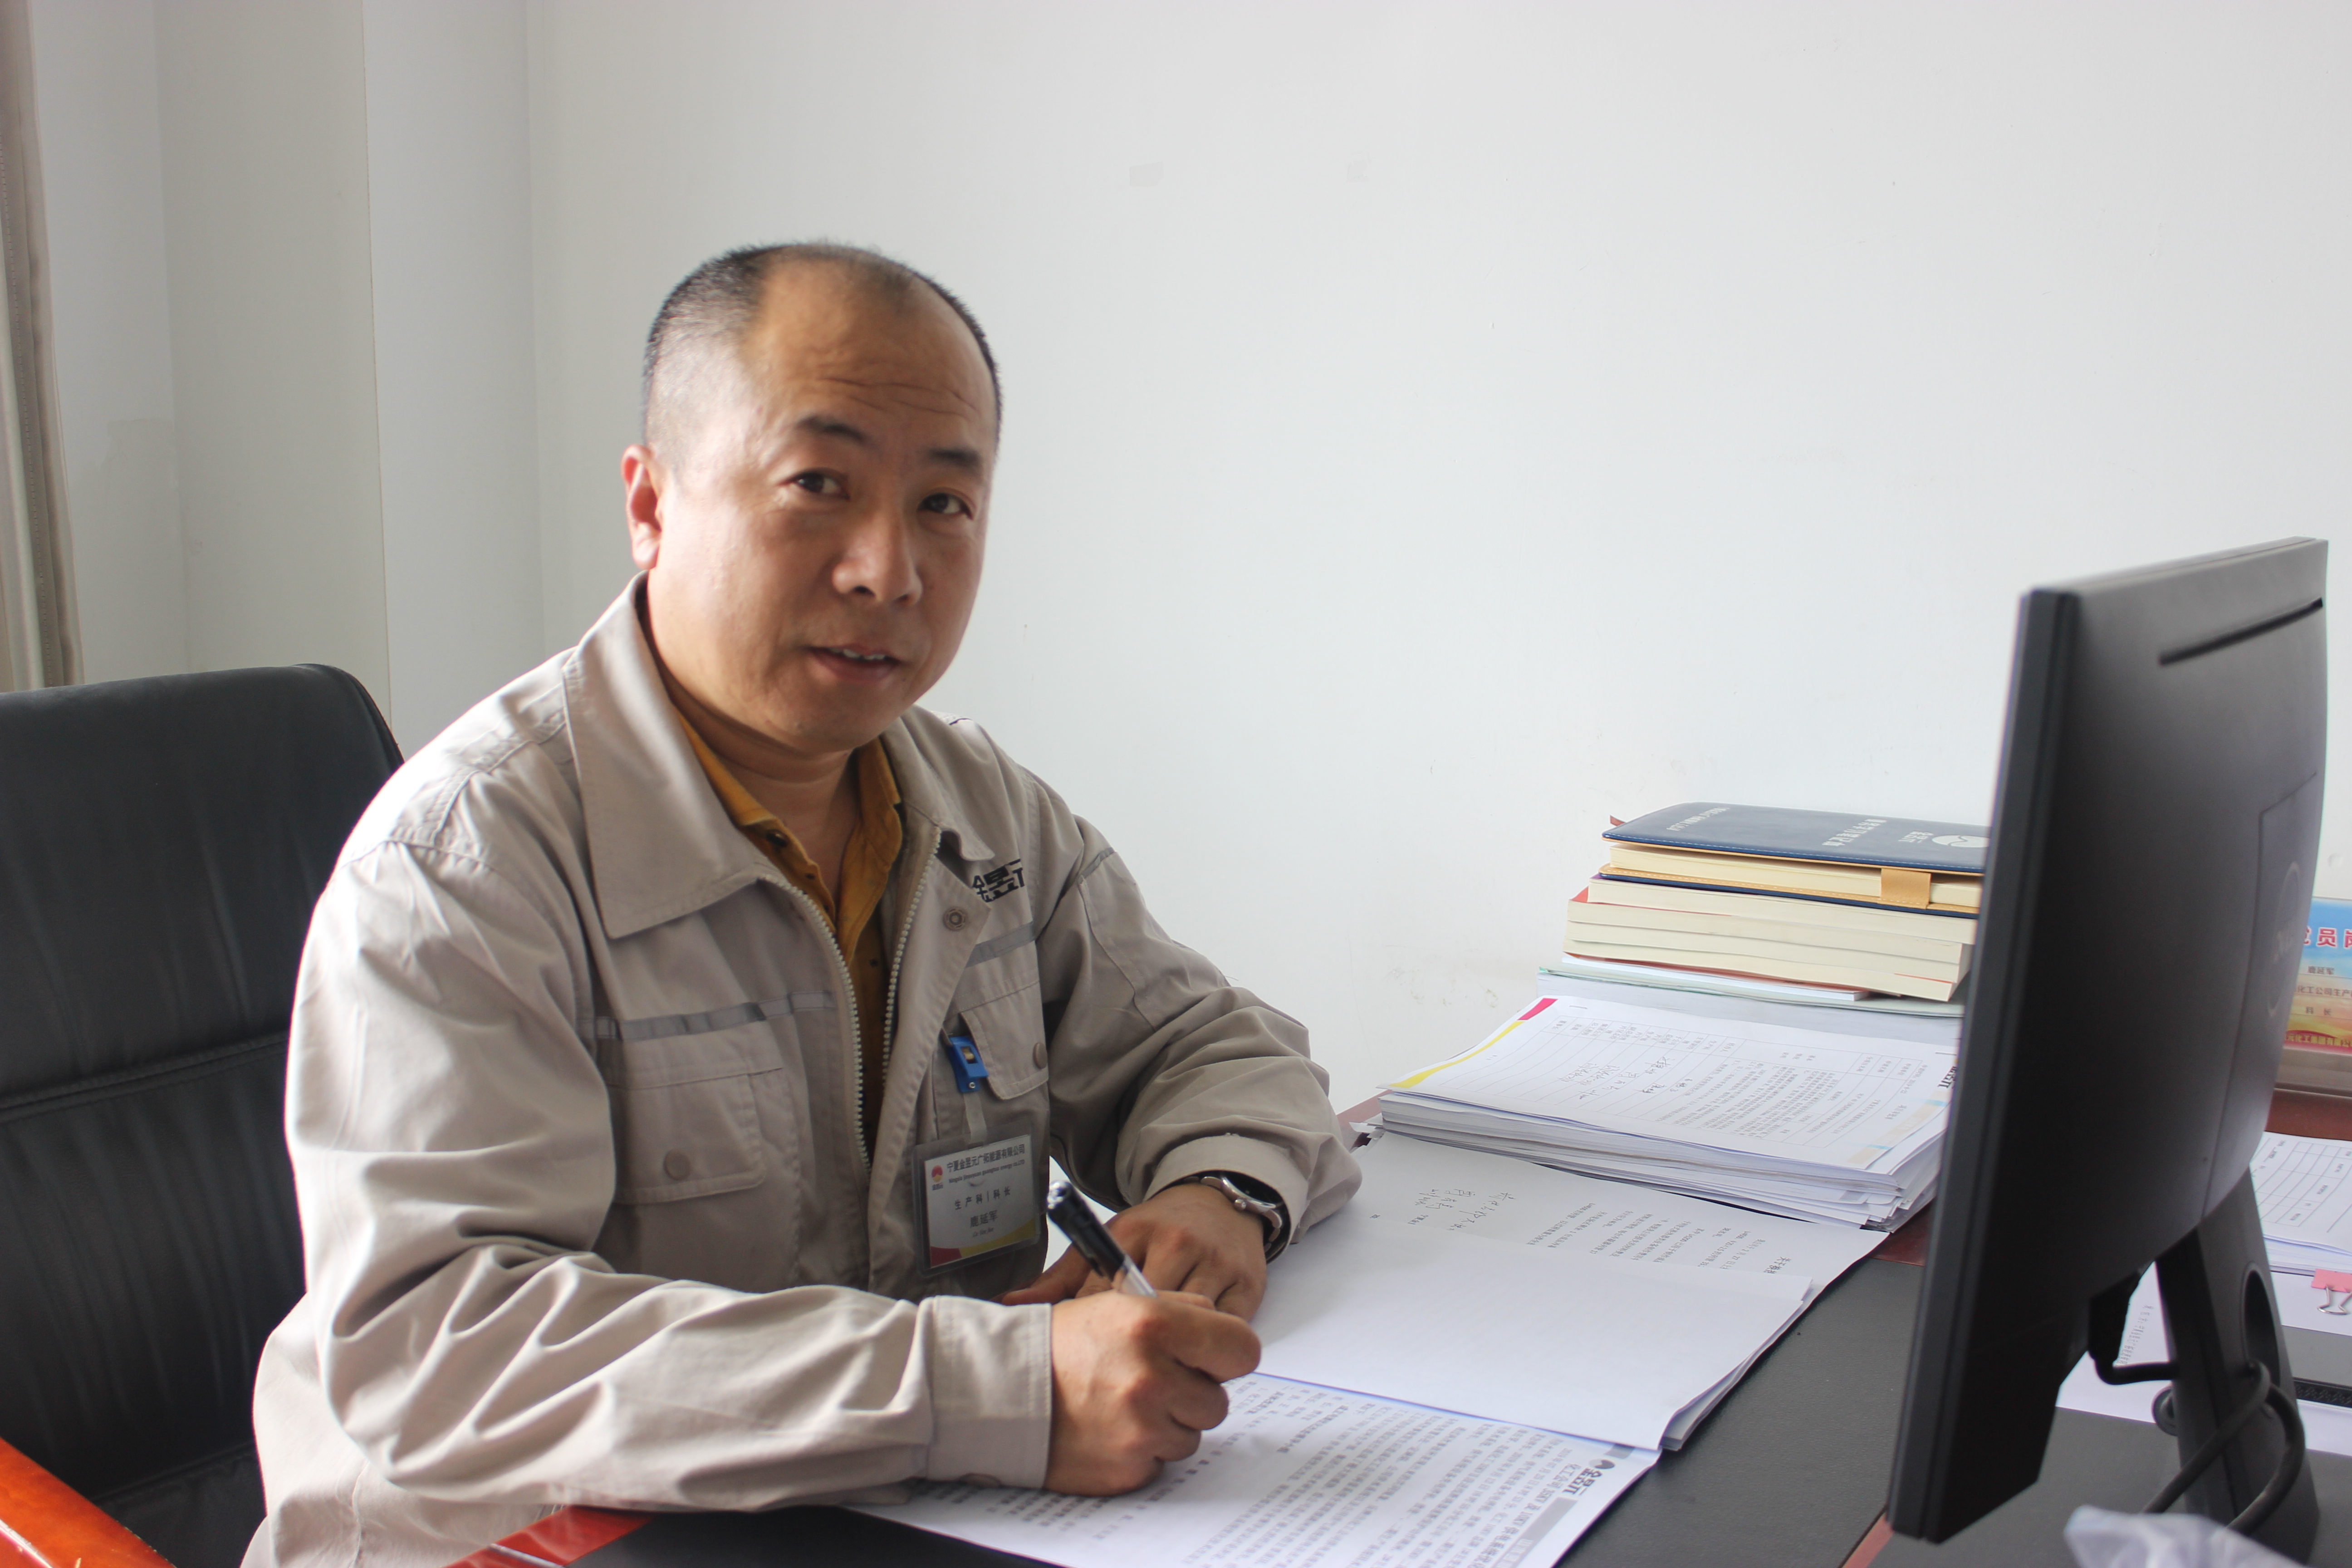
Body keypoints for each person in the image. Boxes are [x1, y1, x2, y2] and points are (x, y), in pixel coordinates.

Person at [242, 244, 1359, 1567]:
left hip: (893, 1514)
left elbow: (1213, 1047)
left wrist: (1220, 1193)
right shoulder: (465, 862)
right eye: (818, 485)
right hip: (537, 1544)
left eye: (944, 503)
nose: (890, 569)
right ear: (651, 505)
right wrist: (994, 1391)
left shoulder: (982, 813)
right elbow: (443, 1350)